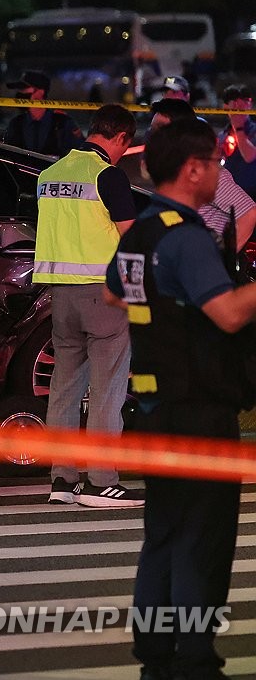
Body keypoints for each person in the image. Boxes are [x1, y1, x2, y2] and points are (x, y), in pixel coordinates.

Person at [104, 116, 256, 680]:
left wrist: (162, 313)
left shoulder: (142, 231)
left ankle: (158, 656)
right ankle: (194, 660)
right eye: (215, 163)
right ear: (192, 169)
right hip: (199, 411)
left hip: (153, 410)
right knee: (203, 542)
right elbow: (228, 312)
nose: (220, 172)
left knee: (163, 538)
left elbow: (113, 292)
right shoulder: (188, 237)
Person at [34, 104, 142, 507]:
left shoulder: (50, 174)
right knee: (107, 390)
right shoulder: (107, 176)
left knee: (63, 389)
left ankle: (62, 480)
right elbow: (131, 242)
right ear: (120, 139)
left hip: (59, 296)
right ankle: (100, 481)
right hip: (103, 295)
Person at [145, 97, 256, 246]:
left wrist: (220, 259)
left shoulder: (208, 174)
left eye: (159, 128)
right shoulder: (172, 171)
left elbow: (249, 214)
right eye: (152, 129)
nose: (153, 135)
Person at [3, 70, 83, 157]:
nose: (20, 93)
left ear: (40, 92)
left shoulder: (62, 122)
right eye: (19, 90)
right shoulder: (16, 123)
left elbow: (80, 152)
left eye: (24, 89)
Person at [218, 84, 256, 198]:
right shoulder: (222, 135)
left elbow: (249, 156)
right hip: (228, 196)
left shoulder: (254, 130)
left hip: (251, 195)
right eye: (234, 102)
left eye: (245, 101)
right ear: (225, 106)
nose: (240, 106)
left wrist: (238, 128)